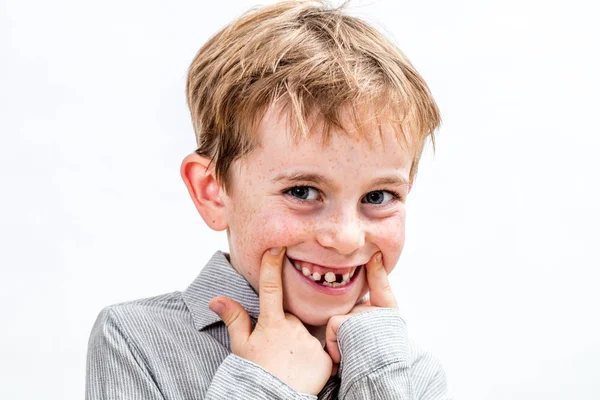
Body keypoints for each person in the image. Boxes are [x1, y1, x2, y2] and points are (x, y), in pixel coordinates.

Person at [85, 1, 451, 398]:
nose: (346, 237)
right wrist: (266, 386)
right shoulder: (136, 341)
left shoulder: (412, 373)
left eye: (377, 196)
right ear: (212, 191)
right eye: (302, 192)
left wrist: (378, 375)